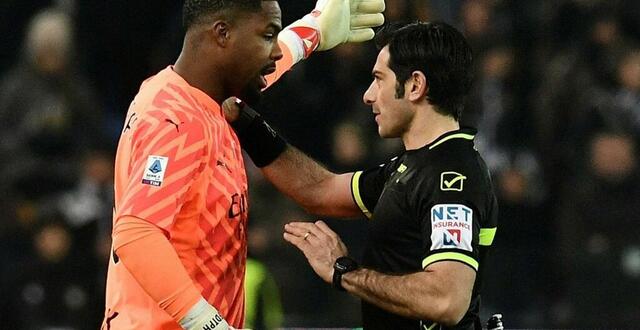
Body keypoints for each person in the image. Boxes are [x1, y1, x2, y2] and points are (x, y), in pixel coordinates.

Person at [102, 0, 385, 329]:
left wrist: (315, 30)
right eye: (268, 37)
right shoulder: (173, 119)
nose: (276, 52)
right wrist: (207, 323)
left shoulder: (205, 99)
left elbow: (259, 68)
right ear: (222, 34)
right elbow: (136, 234)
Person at [224, 21, 498, 329]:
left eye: (379, 80)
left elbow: (446, 300)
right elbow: (318, 189)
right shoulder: (410, 168)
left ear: (415, 86)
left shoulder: (451, 176)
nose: (368, 96)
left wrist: (343, 271)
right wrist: (246, 122)